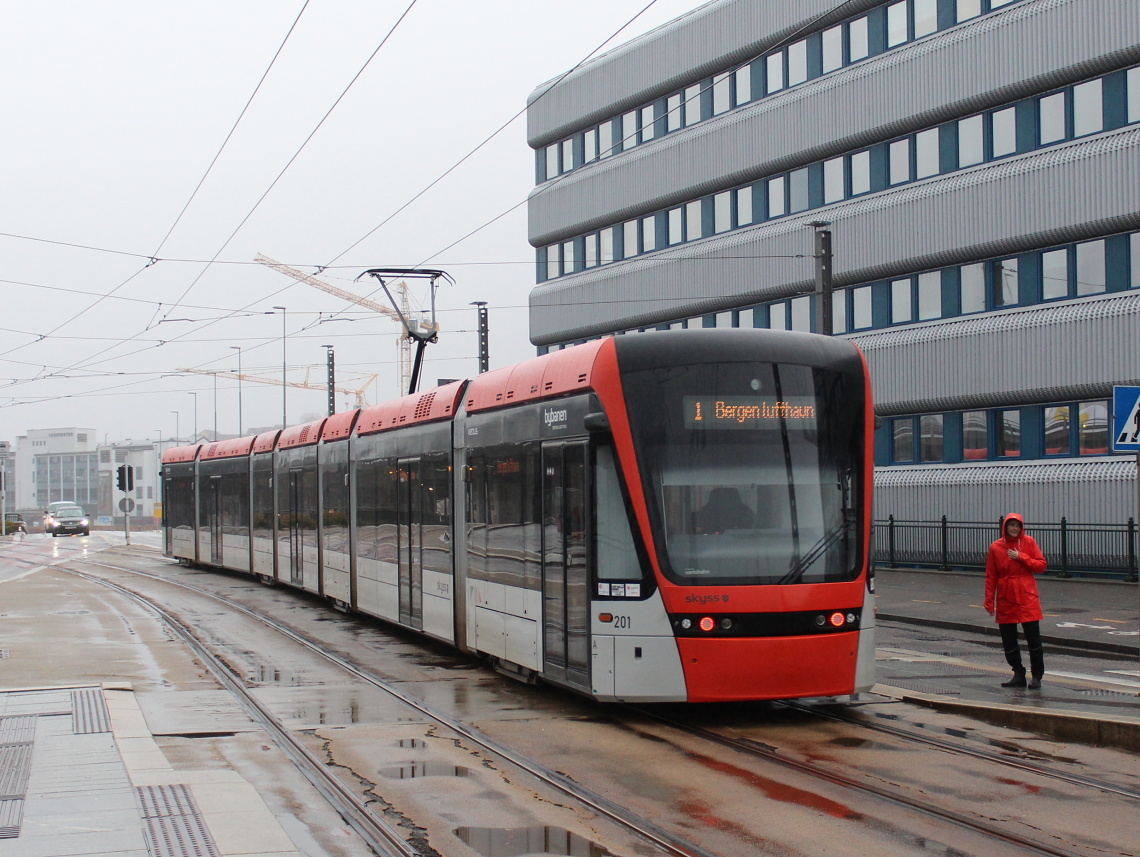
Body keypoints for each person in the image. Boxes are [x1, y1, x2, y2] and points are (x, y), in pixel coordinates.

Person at [984, 513, 1047, 689]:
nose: (1015, 528)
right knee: (1009, 640)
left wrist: (1021, 556)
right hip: (1006, 596)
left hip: (1027, 595)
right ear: (1005, 527)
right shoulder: (996, 547)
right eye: (1011, 525)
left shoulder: (1029, 542)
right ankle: (1018, 672)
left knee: (1034, 640)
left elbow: (1041, 566)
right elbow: (991, 576)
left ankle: (1036, 676)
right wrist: (989, 601)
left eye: (1017, 525)